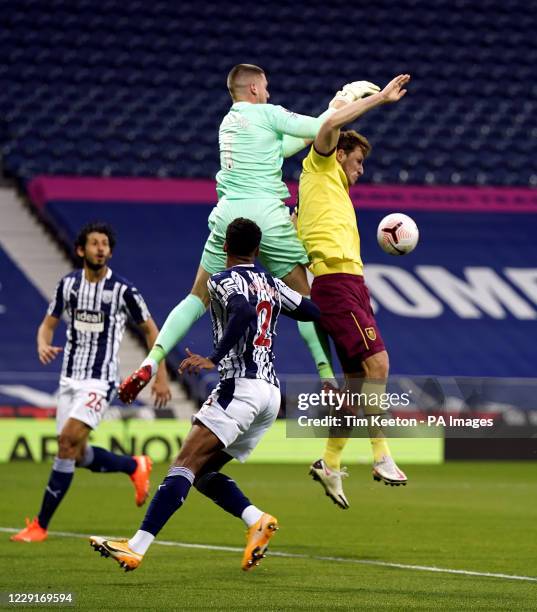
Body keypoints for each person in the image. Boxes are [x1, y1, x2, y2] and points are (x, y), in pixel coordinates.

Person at [118, 64, 380, 405]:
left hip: (227, 214)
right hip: (267, 214)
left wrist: (332, 107)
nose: (269, 93)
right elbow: (323, 129)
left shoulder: (228, 124)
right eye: (266, 87)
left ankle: (150, 363)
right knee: (305, 297)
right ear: (255, 88)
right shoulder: (268, 113)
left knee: (197, 298)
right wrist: (344, 100)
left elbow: (285, 147)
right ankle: (327, 378)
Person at [89, 218, 320, 572]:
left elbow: (242, 309)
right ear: (257, 251)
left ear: (224, 247)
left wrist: (213, 356)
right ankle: (257, 520)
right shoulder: (272, 283)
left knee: (182, 464)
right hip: (270, 394)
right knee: (203, 472)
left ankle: (135, 546)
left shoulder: (221, 280)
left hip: (239, 387)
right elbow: (310, 310)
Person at [10, 222, 171, 543]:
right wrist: (43, 343)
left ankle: (40, 525)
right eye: (94, 243)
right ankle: (133, 465)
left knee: (67, 443)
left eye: (105, 244)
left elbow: (154, 331)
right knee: (78, 454)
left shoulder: (124, 291)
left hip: (101, 381)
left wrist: (160, 376)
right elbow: (47, 325)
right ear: (81, 250)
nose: (100, 248)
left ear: (110, 251)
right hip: (69, 379)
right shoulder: (68, 285)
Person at [295, 74, 411, 509]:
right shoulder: (320, 163)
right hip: (336, 283)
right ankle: (380, 454)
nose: (360, 173)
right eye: (357, 163)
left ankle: (329, 462)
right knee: (378, 363)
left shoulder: (332, 191)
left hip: (351, 284)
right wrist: (376, 99)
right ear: (339, 154)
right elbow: (327, 127)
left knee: (355, 383)